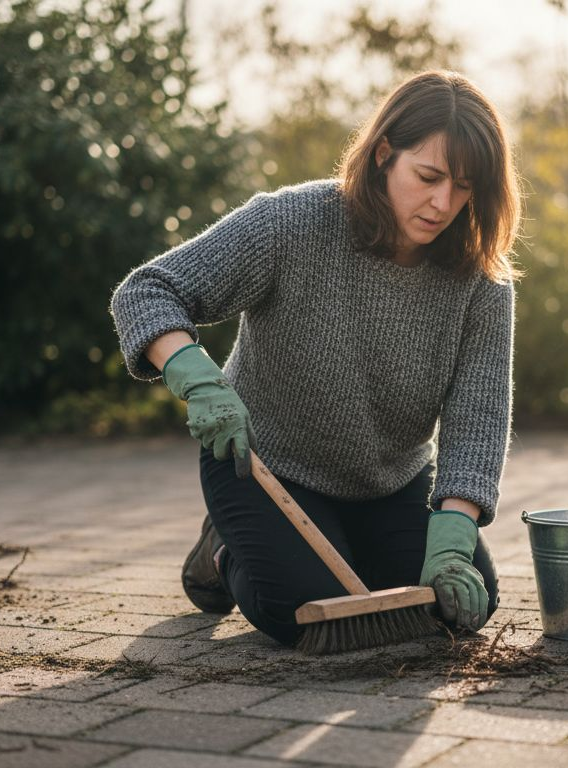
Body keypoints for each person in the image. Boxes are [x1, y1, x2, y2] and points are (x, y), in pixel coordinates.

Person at [109, 70, 521, 647]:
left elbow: (477, 419)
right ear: (383, 155)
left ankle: (347, 545)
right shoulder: (293, 223)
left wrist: (453, 538)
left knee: (459, 602)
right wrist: (194, 376)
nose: (443, 203)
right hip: (262, 465)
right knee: (302, 607)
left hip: (391, 482)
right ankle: (225, 549)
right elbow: (146, 291)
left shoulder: (481, 281)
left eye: (465, 187)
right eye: (427, 177)